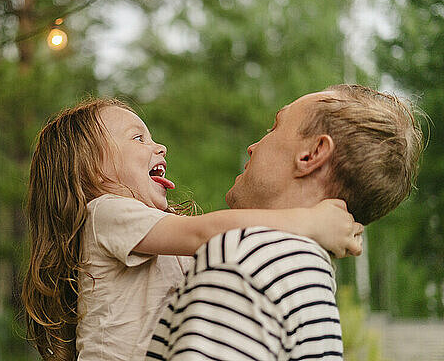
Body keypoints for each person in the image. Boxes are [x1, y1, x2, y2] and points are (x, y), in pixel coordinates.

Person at [21, 98, 364, 360]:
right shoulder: (105, 214)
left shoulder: (155, 229)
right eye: (138, 139)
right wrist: (311, 223)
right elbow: (208, 233)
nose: (160, 147)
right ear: (91, 170)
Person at [146, 84, 424, 360]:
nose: (253, 146)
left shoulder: (245, 260)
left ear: (312, 154)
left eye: (275, 127)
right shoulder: (310, 282)